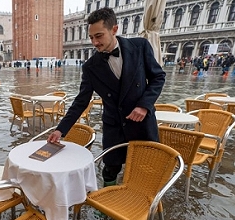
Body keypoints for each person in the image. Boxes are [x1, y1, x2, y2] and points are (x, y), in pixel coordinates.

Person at [47, 7, 165, 187]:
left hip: (142, 123)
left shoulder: (140, 46)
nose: (94, 42)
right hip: (114, 126)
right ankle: (107, 206)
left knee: (146, 167)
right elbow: (81, 101)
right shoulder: (90, 67)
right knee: (110, 168)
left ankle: (143, 202)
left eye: (99, 36)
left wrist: (144, 105)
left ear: (114, 30)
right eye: (91, 37)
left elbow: (158, 77)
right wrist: (60, 130)